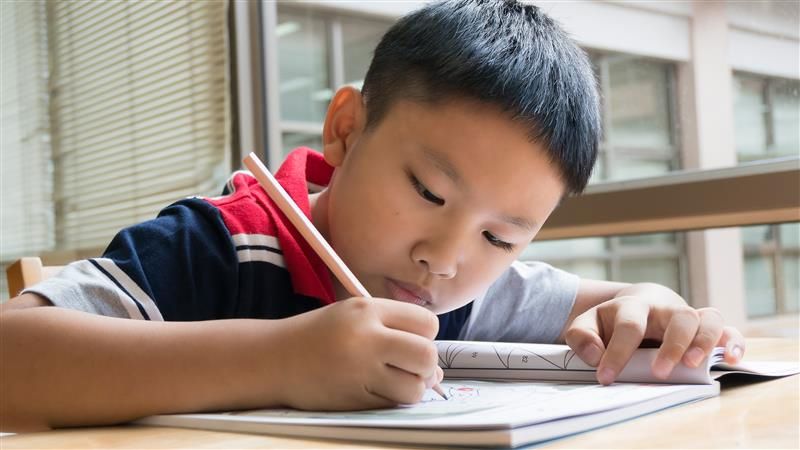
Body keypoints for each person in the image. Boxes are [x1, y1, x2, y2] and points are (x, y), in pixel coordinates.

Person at [0, 0, 744, 432]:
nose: (446, 257)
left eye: (500, 236)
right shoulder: (219, 245)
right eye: (428, 191)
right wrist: (281, 361)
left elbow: (608, 308)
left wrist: (652, 305)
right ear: (347, 130)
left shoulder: (472, 290)